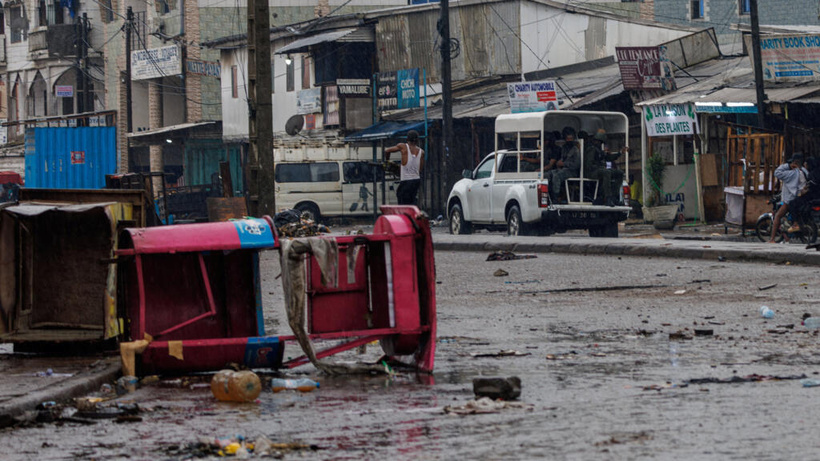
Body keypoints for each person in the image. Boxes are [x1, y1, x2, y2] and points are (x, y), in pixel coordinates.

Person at [769, 153, 808, 243]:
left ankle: (772, 239)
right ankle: (787, 237)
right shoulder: (804, 171)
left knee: (778, 216)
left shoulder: (791, 173)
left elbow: (777, 172)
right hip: (800, 197)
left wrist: (788, 165)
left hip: (790, 199)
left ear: (794, 162)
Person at [584, 129, 626, 206]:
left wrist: (620, 153)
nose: (598, 143)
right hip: (591, 172)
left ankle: (614, 196)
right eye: (597, 141)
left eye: (600, 142)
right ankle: (608, 198)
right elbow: (588, 165)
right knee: (606, 172)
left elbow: (608, 157)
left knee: (619, 173)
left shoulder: (599, 150)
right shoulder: (591, 149)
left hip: (599, 171)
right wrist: (600, 168)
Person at [385, 130, 425, 205]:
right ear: (417, 140)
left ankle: (403, 215)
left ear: (407, 139)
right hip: (416, 181)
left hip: (406, 181)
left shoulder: (403, 147)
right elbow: (419, 169)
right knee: (411, 200)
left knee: (401, 198)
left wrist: (387, 161)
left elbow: (387, 151)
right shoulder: (422, 152)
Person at [546, 127, 581, 202]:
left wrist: (564, 164)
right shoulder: (564, 148)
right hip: (563, 169)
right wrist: (559, 163)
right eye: (567, 138)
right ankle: (549, 196)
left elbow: (576, 165)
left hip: (572, 171)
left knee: (557, 176)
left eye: (570, 138)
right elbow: (562, 158)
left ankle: (556, 198)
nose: (569, 140)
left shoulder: (576, 150)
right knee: (548, 174)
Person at [786, 156, 820, 232]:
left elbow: (810, 187)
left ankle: (795, 224)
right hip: (816, 198)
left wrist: (803, 191)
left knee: (792, 204)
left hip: (811, 197)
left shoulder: (812, 174)